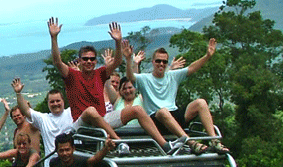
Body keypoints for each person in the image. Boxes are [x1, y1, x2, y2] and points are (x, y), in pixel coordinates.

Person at [48, 18, 186, 155]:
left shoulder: (100, 73)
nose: (89, 61)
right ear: (80, 61)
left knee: (137, 109)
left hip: (102, 119)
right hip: (82, 123)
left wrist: (118, 42)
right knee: (90, 111)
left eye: (92, 59)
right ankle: (119, 143)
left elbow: (118, 61)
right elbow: (57, 61)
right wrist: (54, 37)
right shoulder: (72, 75)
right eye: (85, 59)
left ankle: (165, 145)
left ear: (96, 61)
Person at [129, 39, 229, 154]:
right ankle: (192, 143)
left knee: (201, 102)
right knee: (162, 111)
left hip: (174, 115)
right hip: (157, 120)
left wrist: (207, 56)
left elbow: (191, 68)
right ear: (153, 62)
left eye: (164, 62)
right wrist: (129, 60)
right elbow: (131, 77)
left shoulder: (173, 76)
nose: (161, 64)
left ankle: (214, 141)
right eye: (158, 61)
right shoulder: (144, 78)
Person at [12, 79, 73, 167]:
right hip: (51, 166)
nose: (55, 104)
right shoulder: (43, 119)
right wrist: (18, 93)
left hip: (71, 163)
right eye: (52, 102)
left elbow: (81, 97)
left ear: (63, 101)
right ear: (48, 103)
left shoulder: (71, 112)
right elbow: (26, 110)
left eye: (58, 101)